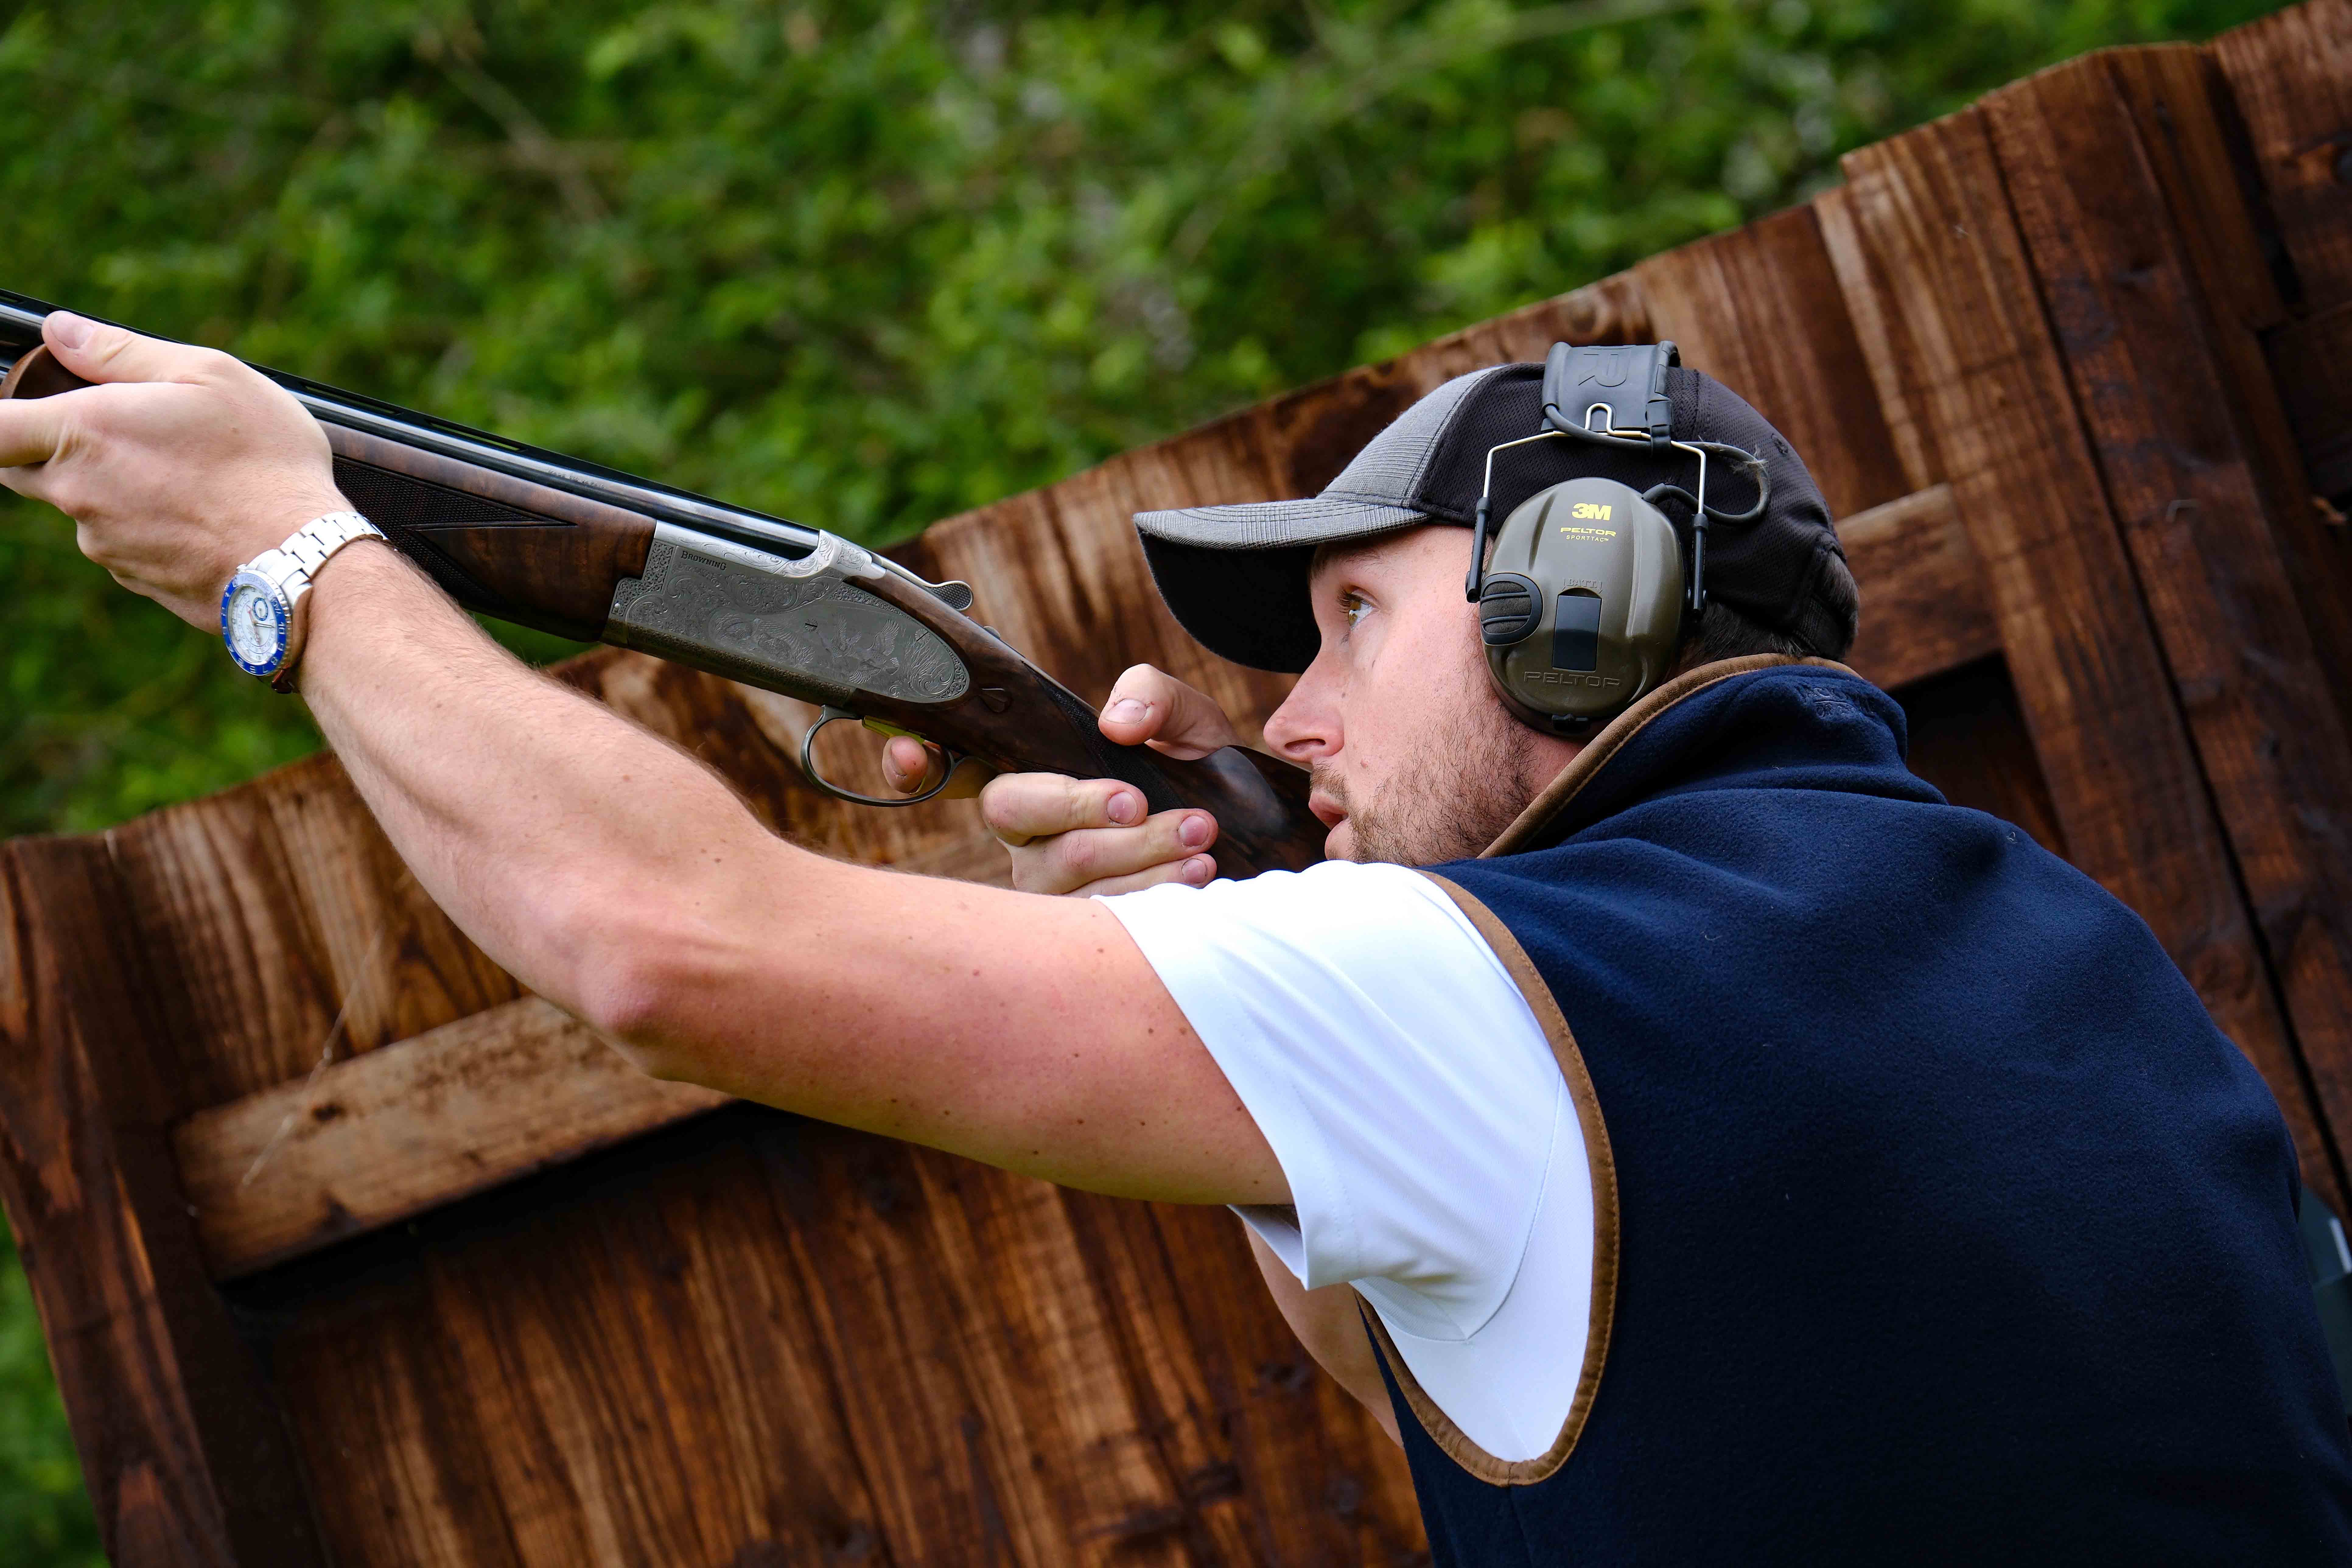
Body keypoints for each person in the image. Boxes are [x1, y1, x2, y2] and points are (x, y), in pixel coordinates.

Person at [6, 311, 2349, 1563]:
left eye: (1347, 620)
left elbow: (657, 945)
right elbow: (1497, 1350)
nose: (1287, 711)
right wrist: (1265, 1068)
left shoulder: (1533, 984)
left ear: (1575, 612)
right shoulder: (2034, 947)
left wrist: (289, 557)